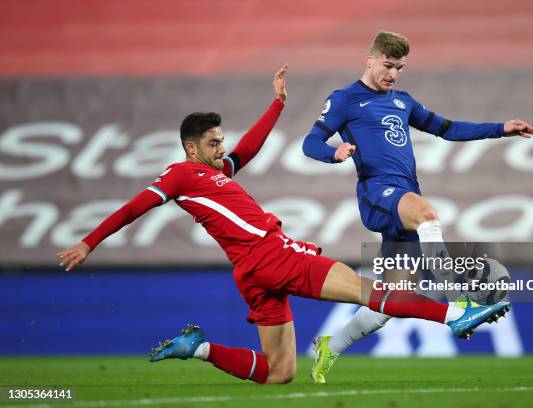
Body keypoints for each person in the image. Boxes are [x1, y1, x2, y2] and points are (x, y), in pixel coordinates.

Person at [58, 64, 509, 385]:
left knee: (280, 373)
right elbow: (133, 208)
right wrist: (88, 242)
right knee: (364, 289)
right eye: (213, 143)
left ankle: (197, 348)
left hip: (250, 272)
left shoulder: (214, 174)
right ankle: (456, 312)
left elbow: (248, 151)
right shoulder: (180, 175)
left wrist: (275, 106)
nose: (222, 148)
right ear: (191, 148)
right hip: (270, 254)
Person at [302, 30, 533, 383]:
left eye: (399, 67)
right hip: (378, 194)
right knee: (427, 213)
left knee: (393, 300)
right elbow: (310, 142)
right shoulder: (345, 99)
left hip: (403, 197)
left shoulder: (403, 101)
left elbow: (448, 128)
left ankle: (331, 346)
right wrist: (333, 153)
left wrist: (501, 128)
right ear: (369, 59)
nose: (392, 74)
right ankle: (460, 305)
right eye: (387, 65)